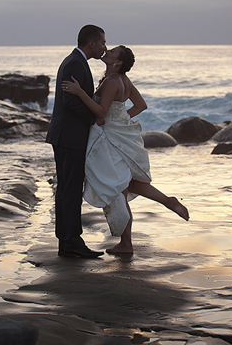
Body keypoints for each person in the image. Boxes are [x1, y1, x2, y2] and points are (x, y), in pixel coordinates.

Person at [62, 45, 189, 255]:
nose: (107, 51)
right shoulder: (124, 80)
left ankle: (126, 243)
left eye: (112, 51)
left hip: (110, 138)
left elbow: (101, 111)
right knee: (129, 184)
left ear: (118, 62)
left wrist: (80, 93)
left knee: (118, 188)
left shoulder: (112, 81)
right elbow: (140, 105)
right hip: (119, 133)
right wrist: (120, 120)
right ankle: (167, 201)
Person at [45, 25, 107, 258]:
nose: (104, 47)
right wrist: (94, 117)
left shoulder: (74, 61)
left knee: (66, 189)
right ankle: (71, 242)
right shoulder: (75, 63)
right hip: (69, 136)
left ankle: (66, 241)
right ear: (91, 43)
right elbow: (71, 102)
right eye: (102, 42)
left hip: (64, 134)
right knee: (70, 190)